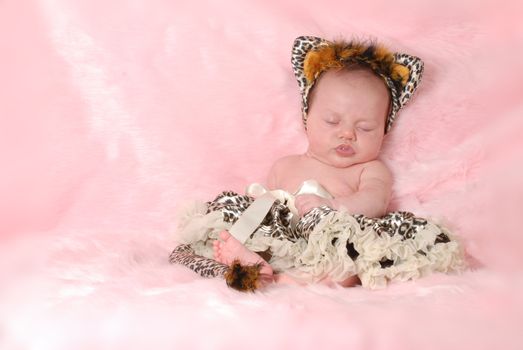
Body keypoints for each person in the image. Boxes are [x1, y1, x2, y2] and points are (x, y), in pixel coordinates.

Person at [170, 36, 466, 292]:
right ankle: (249, 262)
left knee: (354, 260)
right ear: (306, 120)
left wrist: (335, 207)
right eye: (332, 121)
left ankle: (293, 282)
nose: (347, 133)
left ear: (384, 131)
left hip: (330, 240)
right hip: (283, 238)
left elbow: (375, 202)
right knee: (230, 222)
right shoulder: (285, 165)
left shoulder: (370, 169)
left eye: (365, 128)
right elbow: (259, 207)